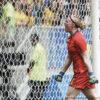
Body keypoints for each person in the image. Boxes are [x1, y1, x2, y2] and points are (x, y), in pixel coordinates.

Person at [55, 15, 99, 100]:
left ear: (73, 25)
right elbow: (69, 57)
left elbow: (86, 58)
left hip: (81, 75)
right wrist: (61, 73)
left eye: (67, 21)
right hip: (82, 74)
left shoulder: (79, 38)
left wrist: (92, 75)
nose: (64, 22)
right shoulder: (70, 39)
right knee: (93, 97)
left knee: (68, 98)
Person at [26, 33, 48, 100]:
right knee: (37, 96)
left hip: (36, 77)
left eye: (32, 40)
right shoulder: (41, 47)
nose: (31, 42)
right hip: (42, 77)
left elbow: (32, 61)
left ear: (36, 40)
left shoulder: (37, 48)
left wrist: (28, 70)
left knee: (33, 95)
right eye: (31, 40)